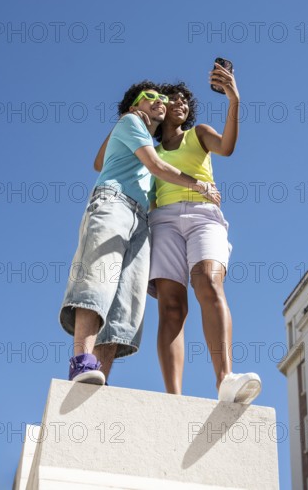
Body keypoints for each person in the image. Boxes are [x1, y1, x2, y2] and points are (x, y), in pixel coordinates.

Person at [59, 80, 220, 386]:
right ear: (135, 106)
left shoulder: (144, 140)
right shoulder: (131, 122)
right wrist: (199, 185)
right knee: (97, 281)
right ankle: (81, 362)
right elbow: (156, 166)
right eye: (151, 97)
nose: (160, 100)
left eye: (163, 97)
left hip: (142, 220)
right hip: (114, 204)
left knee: (124, 306)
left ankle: (97, 380)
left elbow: (98, 162)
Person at [148, 63, 261, 403]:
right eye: (173, 99)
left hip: (204, 215)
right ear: (160, 107)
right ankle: (174, 398)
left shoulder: (198, 134)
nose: (180, 103)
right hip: (163, 220)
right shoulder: (150, 150)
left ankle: (225, 379)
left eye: (184, 99)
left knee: (209, 282)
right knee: (170, 307)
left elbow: (226, 147)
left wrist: (234, 100)